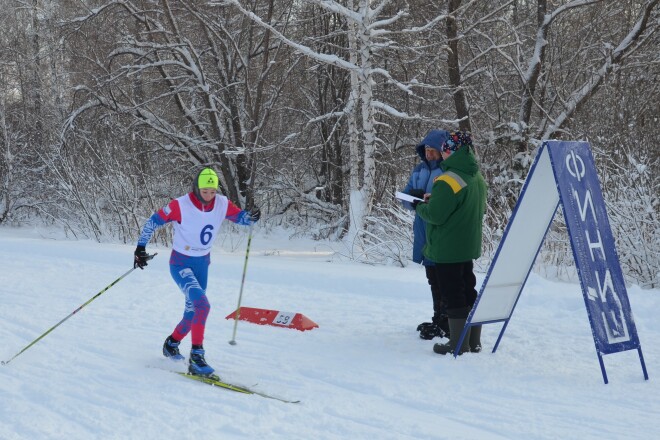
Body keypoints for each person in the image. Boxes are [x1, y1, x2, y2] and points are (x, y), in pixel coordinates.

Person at [133, 168, 260, 376]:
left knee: (192, 313)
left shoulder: (222, 203)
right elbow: (153, 221)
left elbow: (243, 219)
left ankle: (172, 344)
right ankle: (196, 358)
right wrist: (140, 248)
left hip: (202, 264)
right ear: (196, 188)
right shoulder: (180, 205)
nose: (209, 196)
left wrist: (252, 216)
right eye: (205, 191)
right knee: (203, 305)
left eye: (212, 191)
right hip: (181, 264)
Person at [415, 131, 487, 355]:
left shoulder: (447, 180)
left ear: (452, 151)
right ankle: (473, 342)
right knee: (468, 289)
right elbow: (464, 205)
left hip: (447, 248)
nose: (442, 152)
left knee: (453, 294)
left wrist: (419, 205)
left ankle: (457, 344)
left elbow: (435, 216)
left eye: (445, 148)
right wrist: (436, 199)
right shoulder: (475, 176)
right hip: (467, 245)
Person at [400, 129, 451, 340]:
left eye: (433, 151)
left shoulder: (447, 171)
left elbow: (445, 203)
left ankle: (446, 321)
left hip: (438, 230)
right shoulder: (419, 170)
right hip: (422, 229)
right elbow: (404, 197)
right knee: (432, 278)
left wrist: (428, 201)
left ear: (441, 151)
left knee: (444, 278)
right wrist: (413, 199)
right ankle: (437, 317)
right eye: (427, 150)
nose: (429, 154)